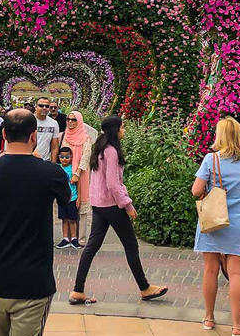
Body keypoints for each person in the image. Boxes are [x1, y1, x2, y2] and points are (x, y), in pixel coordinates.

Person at [0, 109, 72, 336]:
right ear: (34, 136)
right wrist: (40, 160)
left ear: (3, 134)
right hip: (33, 282)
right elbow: (67, 198)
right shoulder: (51, 173)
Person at [69, 116, 169, 305]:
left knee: (92, 246)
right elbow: (113, 184)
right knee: (131, 245)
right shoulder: (111, 151)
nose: (124, 130)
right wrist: (128, 205)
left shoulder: (99, 148)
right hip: (112, 205)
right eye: (123, 127)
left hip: (98, 205)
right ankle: (145, 288)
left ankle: (77, 290)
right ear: (116, 130)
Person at [191, 117, 240, 336]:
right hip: (239, 222)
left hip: (213, 219)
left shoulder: (211, 160)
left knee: (210, 269)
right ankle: (237, 325)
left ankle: (209, 317)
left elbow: (195, 189)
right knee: (236, 272)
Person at [60, 111, 95, 246]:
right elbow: (64, 153)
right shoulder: (66, 136)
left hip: (82, 173)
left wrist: (78, 173)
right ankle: (68, 237)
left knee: (81, 203)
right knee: (68, 201)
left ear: (79, 121)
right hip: (67, 173)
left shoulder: (85, 138)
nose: (70, 122)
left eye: (73, 120)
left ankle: (80, 238)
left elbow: (86, 157)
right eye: (68, 119)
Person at [55, 147, 81, 249]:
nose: (64, 159)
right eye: (62, 157)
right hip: (61, 198)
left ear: (71, 158)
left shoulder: (73, 169)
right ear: (59, 157)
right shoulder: (57, 168)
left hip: (73, 198)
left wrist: (79, 197)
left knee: (72, 219)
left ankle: (74, 238)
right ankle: (65, 238)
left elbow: (78, 184)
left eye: (67, 157)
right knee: (64, 219)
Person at [33, 97, 60, 162]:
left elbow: (55, 146)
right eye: (41, 106)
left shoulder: (54, 123)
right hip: (30, 160)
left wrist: (53, 164)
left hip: (45, 160)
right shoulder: (28, 120)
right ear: (36, 107)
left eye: (47, 106)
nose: (44, 108)